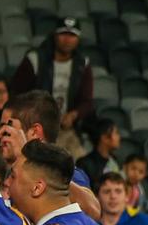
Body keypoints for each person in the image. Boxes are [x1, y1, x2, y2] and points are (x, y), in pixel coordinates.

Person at [0, 89, 101, 219]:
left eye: (7, 129)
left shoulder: (68, 172)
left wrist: (31, 158)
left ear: (35, 132)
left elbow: (93, 211)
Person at [12, 18, 95, 147]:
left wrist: (73, 115)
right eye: (63, 34)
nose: (67, 39)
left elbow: (87, 101)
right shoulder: (35, 59)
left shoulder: (82, 64)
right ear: (55, 35)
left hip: (65, 129)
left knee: (77, 161)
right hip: (34, 126)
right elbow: (17, 94)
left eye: (72, 35)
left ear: (78, 39)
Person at [77, 118, 122, 187]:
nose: (119, 137)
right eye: (116, 133)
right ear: (104, 138)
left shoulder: (116, 160)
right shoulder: (85, 164)